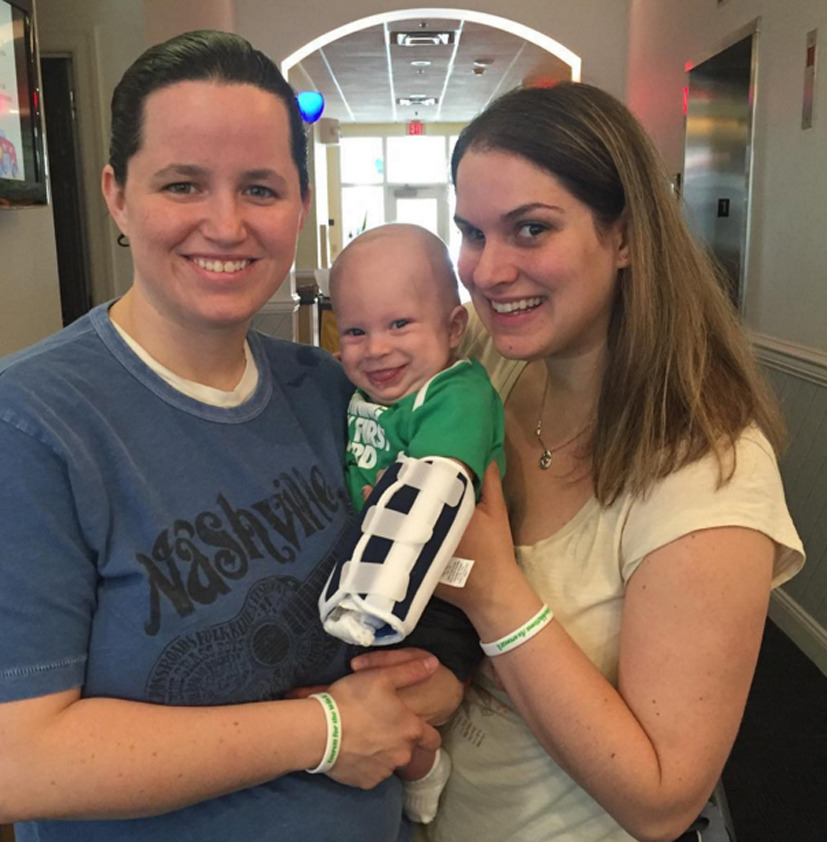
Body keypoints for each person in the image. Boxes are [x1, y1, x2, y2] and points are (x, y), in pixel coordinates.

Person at [0, 31, 465, 842]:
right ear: (116, 195)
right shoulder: (33, 424)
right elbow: (19, 759)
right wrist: (323, 732)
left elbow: (428, 578)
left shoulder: (332, 390)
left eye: (259, 189)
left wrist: (438, 680)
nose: (225, 224)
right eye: (182, 185)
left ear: (298, 204)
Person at [353, 83, 805, 842]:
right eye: (470, 231)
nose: (487, 270)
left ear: (623, 237)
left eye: (530, 230)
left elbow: (661, 800)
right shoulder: (488, 373)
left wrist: (492, 590)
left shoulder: (709, 468)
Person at [319, 223, 506, 823]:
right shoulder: (367, 396)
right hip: (377, 567)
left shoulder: (456, 393)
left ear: (453, 328)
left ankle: (425, 764)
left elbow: (434, 488)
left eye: (400, 325)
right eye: (355, 331)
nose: (375, 349)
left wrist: (365, 598)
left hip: (439, 587)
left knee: (401, 693)